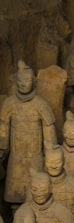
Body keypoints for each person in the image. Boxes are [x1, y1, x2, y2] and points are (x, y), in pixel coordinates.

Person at [0, 61, 57, 204]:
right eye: (20, 80)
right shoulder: (10, 103)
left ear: (34, 81)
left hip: (35, 156)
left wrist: (51, 154)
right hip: (16, 157)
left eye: (26, 80)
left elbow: (49, 134)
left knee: (38, 194)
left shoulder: (41, 105)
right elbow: (3, 130)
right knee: (15, 194)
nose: (23, 84)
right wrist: (2, 150)